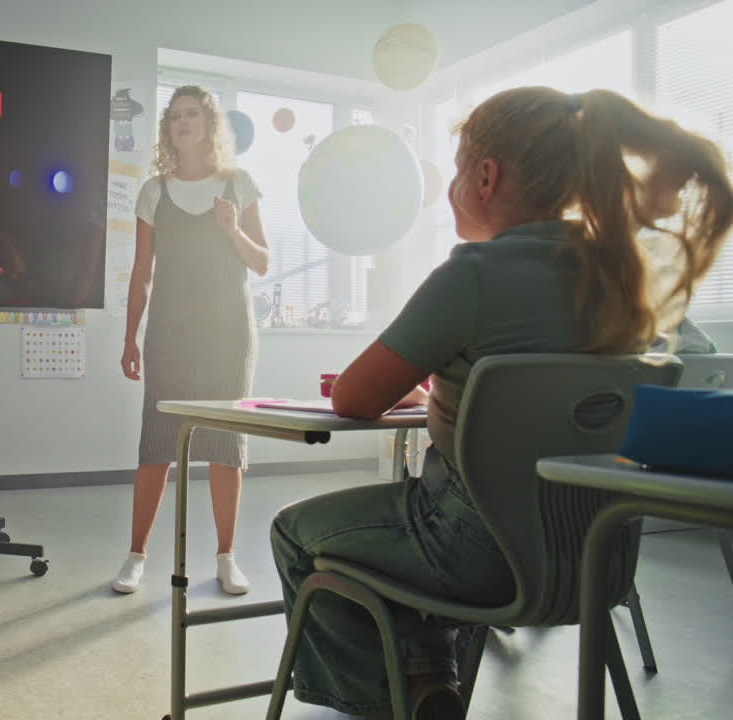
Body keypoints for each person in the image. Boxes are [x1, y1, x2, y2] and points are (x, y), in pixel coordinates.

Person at [270, 86, 732, 719]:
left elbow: (352, 397)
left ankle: (393, 702)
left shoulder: (471, 276)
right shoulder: (621, 278)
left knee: (297, 532)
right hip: (596, 559)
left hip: (471, 551)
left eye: (459, 167)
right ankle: (430, 680)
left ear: (486, 176)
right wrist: (445, 391)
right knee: (392, 535)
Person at [114, 85, 269, 595]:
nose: (183, 123)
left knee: (226, 444)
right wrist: (130, 337)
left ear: (209, 123)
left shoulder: (239, 184)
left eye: (192, 114)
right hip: (169, 331)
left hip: (229, 332)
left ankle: (226, 558)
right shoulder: (154, 191)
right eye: (175, 116)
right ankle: (136, 557)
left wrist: (231, 228)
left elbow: (262, 261)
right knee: (157, 442)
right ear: (168, 128)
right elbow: (141, 273)